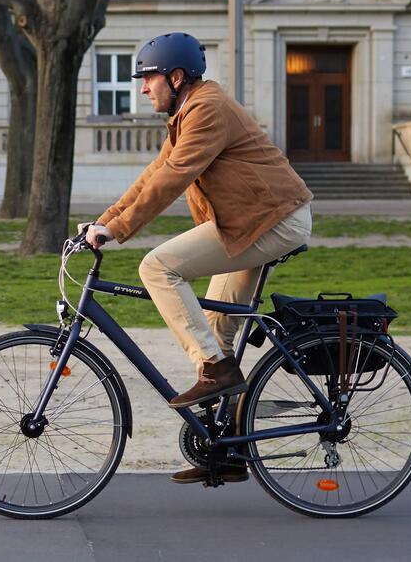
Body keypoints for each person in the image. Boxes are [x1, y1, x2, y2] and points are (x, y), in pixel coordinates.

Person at [78, 33, 313, 486]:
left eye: (147, 79)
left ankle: (218, 371)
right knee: (215, 331)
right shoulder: (189, 111)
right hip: (247, 221)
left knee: (157, 267)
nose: (143, 89)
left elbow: (173, 178)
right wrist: (103, 221)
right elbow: (154, 173)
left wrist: (120, 230)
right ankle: (228, 451)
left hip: (274, 220)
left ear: (176, 77)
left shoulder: (207, 110)